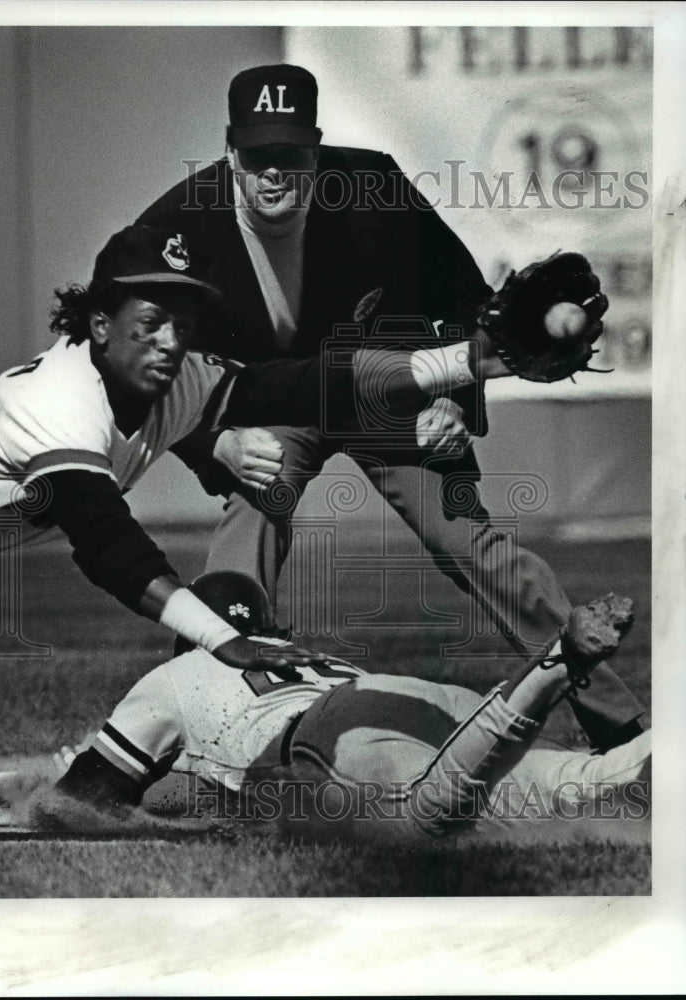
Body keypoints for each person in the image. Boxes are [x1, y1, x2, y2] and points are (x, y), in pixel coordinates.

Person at [135, 62, 645, 750]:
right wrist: (214, 444)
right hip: (274, 396)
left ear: (314, 149)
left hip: (390, 387)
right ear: (231, 153)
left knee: (474, 546)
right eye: (258, 156)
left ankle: (623, 733)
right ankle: (185, 727)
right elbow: (146, 364)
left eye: (289, 153)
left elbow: (468, 302)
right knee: (249, 516)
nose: (274, 172)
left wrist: (456, 402)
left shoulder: (372, 188)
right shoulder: (179, 230)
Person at [0, 222, 513, 673]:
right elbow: (107, 544)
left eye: (183, 325)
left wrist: (460, 361)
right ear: (100, 324)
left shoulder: (176, 379)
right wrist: (220, 637)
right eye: (152, 321)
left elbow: (309, 384)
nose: (171, 343)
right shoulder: (56, 400)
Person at [36, 572, 650, 842]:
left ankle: (553, 666)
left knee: (428, 819)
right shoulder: (302, 653)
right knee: (583, 780)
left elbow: (76, 802)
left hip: (328, 736)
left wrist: (50, 780)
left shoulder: (179, 670)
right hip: (393, 695)